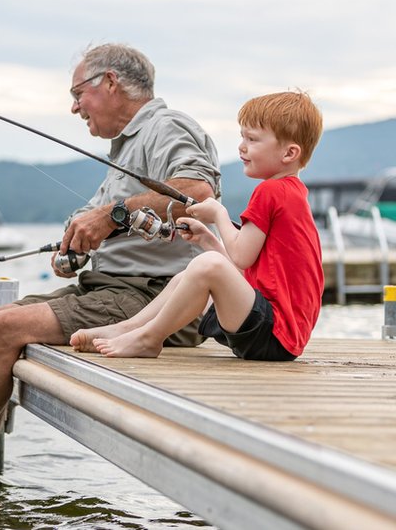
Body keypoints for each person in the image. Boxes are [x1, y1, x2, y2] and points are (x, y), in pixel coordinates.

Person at [0, 43, 221, 506]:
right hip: (113, 289)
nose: (74, 107)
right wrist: (73, 250)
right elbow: (106, 219)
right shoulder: (126, 147)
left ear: (110, 83)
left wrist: (111, 215)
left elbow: (197, 192)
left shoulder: (165, 126)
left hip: (159, 301)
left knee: (4, 325)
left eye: (78, 94)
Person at [71, 91, 324, 361]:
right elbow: (244, 267)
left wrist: (218, 213)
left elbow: (240, 256)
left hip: (274, 333)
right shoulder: (291, 193)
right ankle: (127, 329)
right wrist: (207, 240)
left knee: (207, 266)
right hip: (272, 332)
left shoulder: (271, 192)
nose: (241, 146)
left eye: (252, 139)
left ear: (289, 153)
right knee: (187, 274)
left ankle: (149, 338)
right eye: (242, 137)